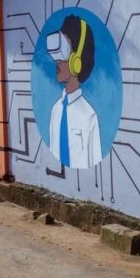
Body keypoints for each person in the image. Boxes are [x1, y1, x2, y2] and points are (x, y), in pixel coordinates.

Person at [46, 14, 101, 169]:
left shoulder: (89, 116)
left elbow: (95, 164)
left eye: (64, 50)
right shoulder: (55, 110)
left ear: (77, 60)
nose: (57, 60)